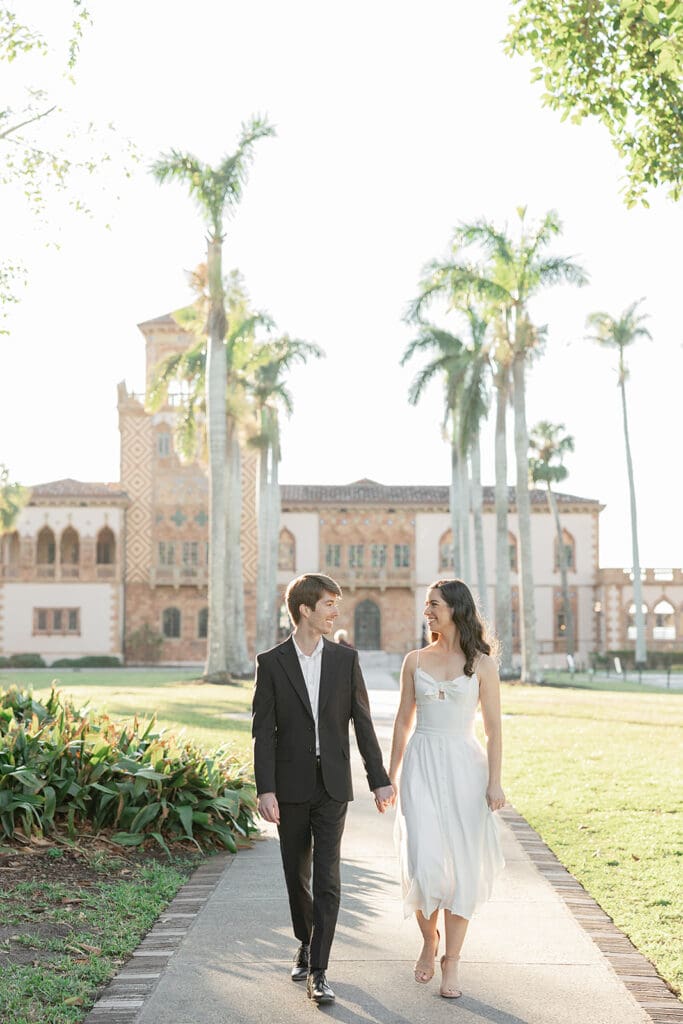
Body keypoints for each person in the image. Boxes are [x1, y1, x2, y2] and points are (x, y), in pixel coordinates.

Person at [252, 572, 394, 1005]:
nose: (336, 611)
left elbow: (363, 723)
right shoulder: (271, 662)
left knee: (329, 878)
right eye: (329, 604)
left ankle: (319, 969)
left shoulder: (344, 661)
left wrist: (379, 779)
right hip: (290, 786)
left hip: (333, 785)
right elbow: (264, 732)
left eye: (337, 603)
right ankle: (305, 940)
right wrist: (265, 789)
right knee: (297, 874)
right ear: (305, 610)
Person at [388, 578, 505, 999]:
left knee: (462, 871)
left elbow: (493, 729)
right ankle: (428, 939)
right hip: (421, 765)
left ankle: (451, 962)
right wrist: (389, 776)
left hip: (465, 771)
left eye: (434, 604)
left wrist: (494, 782)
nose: (427, 612)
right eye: (426, 605)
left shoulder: (483, 664)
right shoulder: (414, 659)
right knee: (424, 863)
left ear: (456, 608)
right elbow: (403, 721)